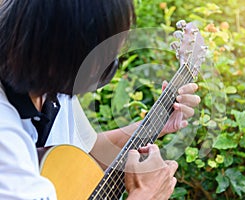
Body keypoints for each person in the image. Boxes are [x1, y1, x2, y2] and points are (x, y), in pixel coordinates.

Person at [0, 0, 201, 199]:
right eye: (105, 56)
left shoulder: (48, 83)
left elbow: (88, 153)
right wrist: (146, 194)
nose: (108, 67)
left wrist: (155, 123)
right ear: (64, 51)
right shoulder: (5, 137)